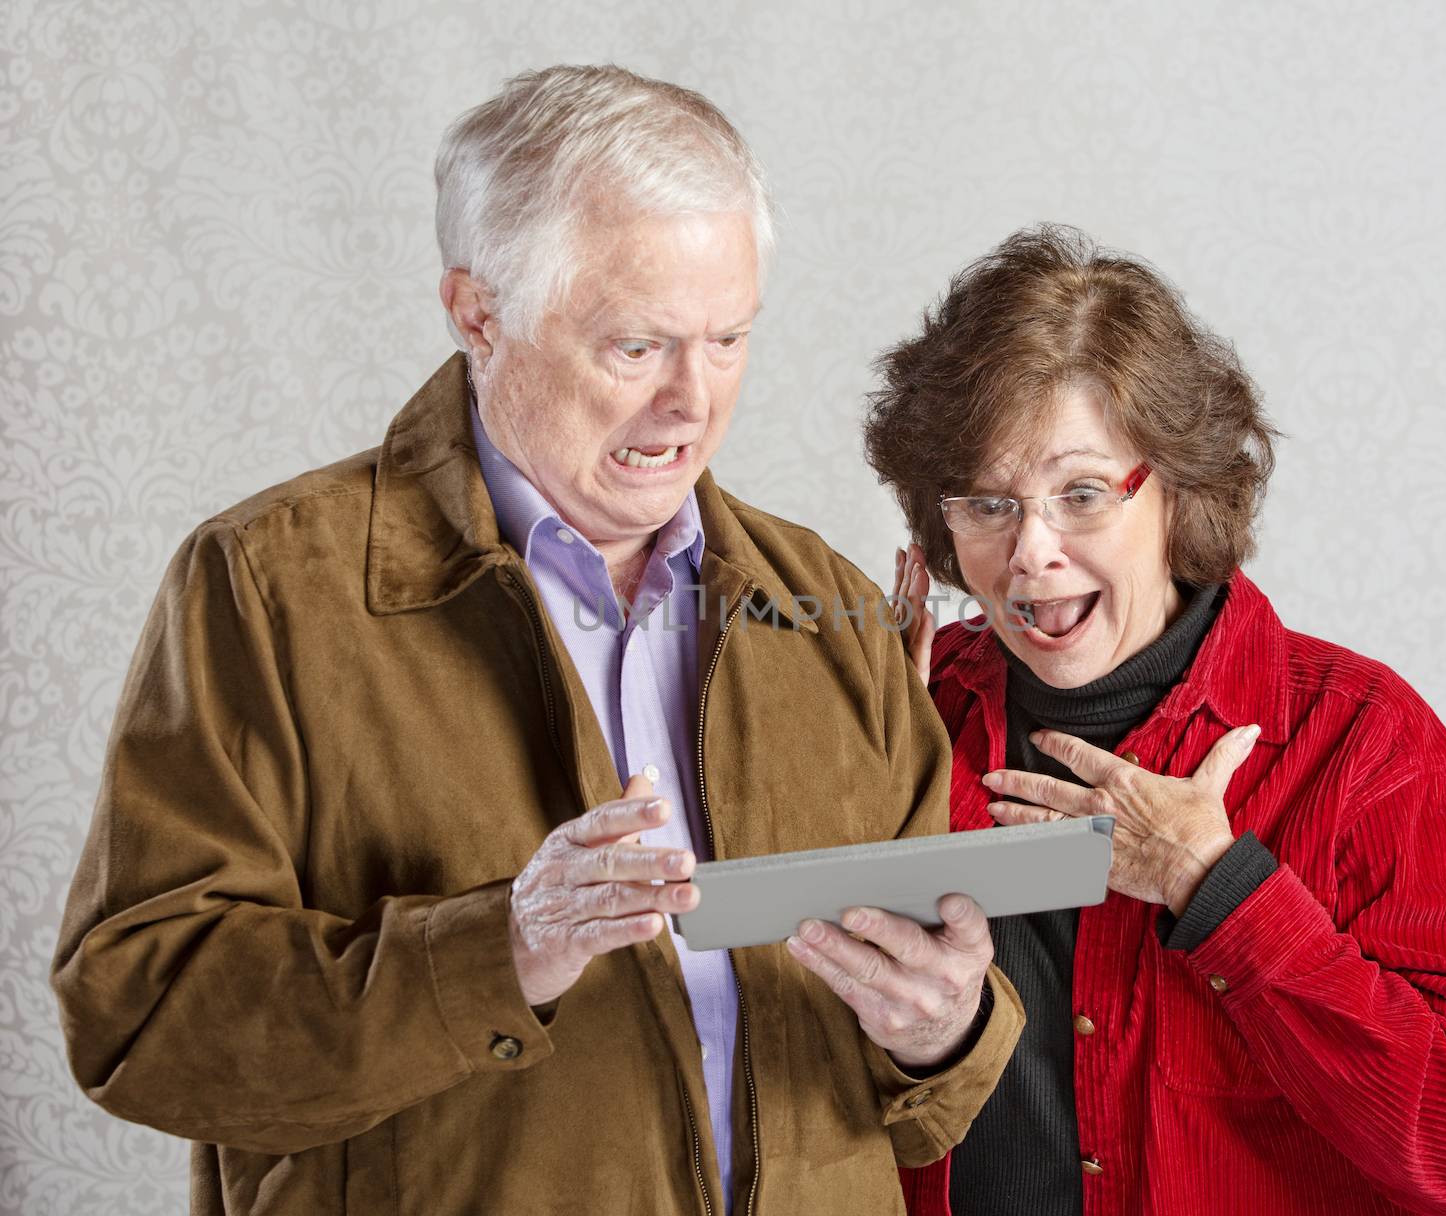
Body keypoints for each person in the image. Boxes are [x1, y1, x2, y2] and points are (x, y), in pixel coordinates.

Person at [50, 65, 1024, 1216]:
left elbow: (916, 1105)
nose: (691, 403)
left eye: (726, 339)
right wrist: (497, 951)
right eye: (635, 347)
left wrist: (946, 1029)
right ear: (477, 312)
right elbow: (141, 1021)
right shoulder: (268, 588)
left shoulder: (823, 604)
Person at [866, 224, 1446, 1216]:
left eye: (1082, 493)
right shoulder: (902, 713)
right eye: (988, 504)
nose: (1031, 554)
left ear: (1174, 491)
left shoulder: (1364, 745)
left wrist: (1215, 886)